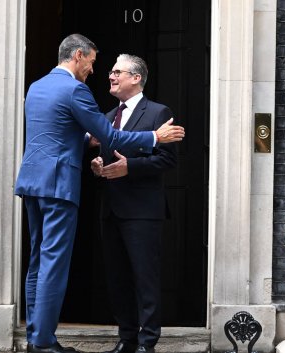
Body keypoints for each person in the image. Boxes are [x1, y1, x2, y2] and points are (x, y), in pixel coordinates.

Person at [14, 34, 185, 353]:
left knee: (37, 259)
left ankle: (36, 336)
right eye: (91, 63)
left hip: (32, 180)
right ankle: (43, 342)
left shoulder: (36, 87)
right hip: (58, 183)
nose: (94, 70)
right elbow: (109, 134)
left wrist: (86, 143)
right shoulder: (75, 90)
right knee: (53, 262)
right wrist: (154, 137)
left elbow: (58, 133)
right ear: (78, 56)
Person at [91, 54, 177, 353]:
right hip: (111, 208)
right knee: (117, 279)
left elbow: (168, 159)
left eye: (117, 72)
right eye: (111, 72)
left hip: (143, 210)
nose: (111, 76)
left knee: (145, 278)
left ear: (136, 77)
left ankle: (147, 342)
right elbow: (104, 153)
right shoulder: (107, 116)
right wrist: (98, 164)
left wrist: (132, 167)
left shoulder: (157, 112)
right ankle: (126, 339)